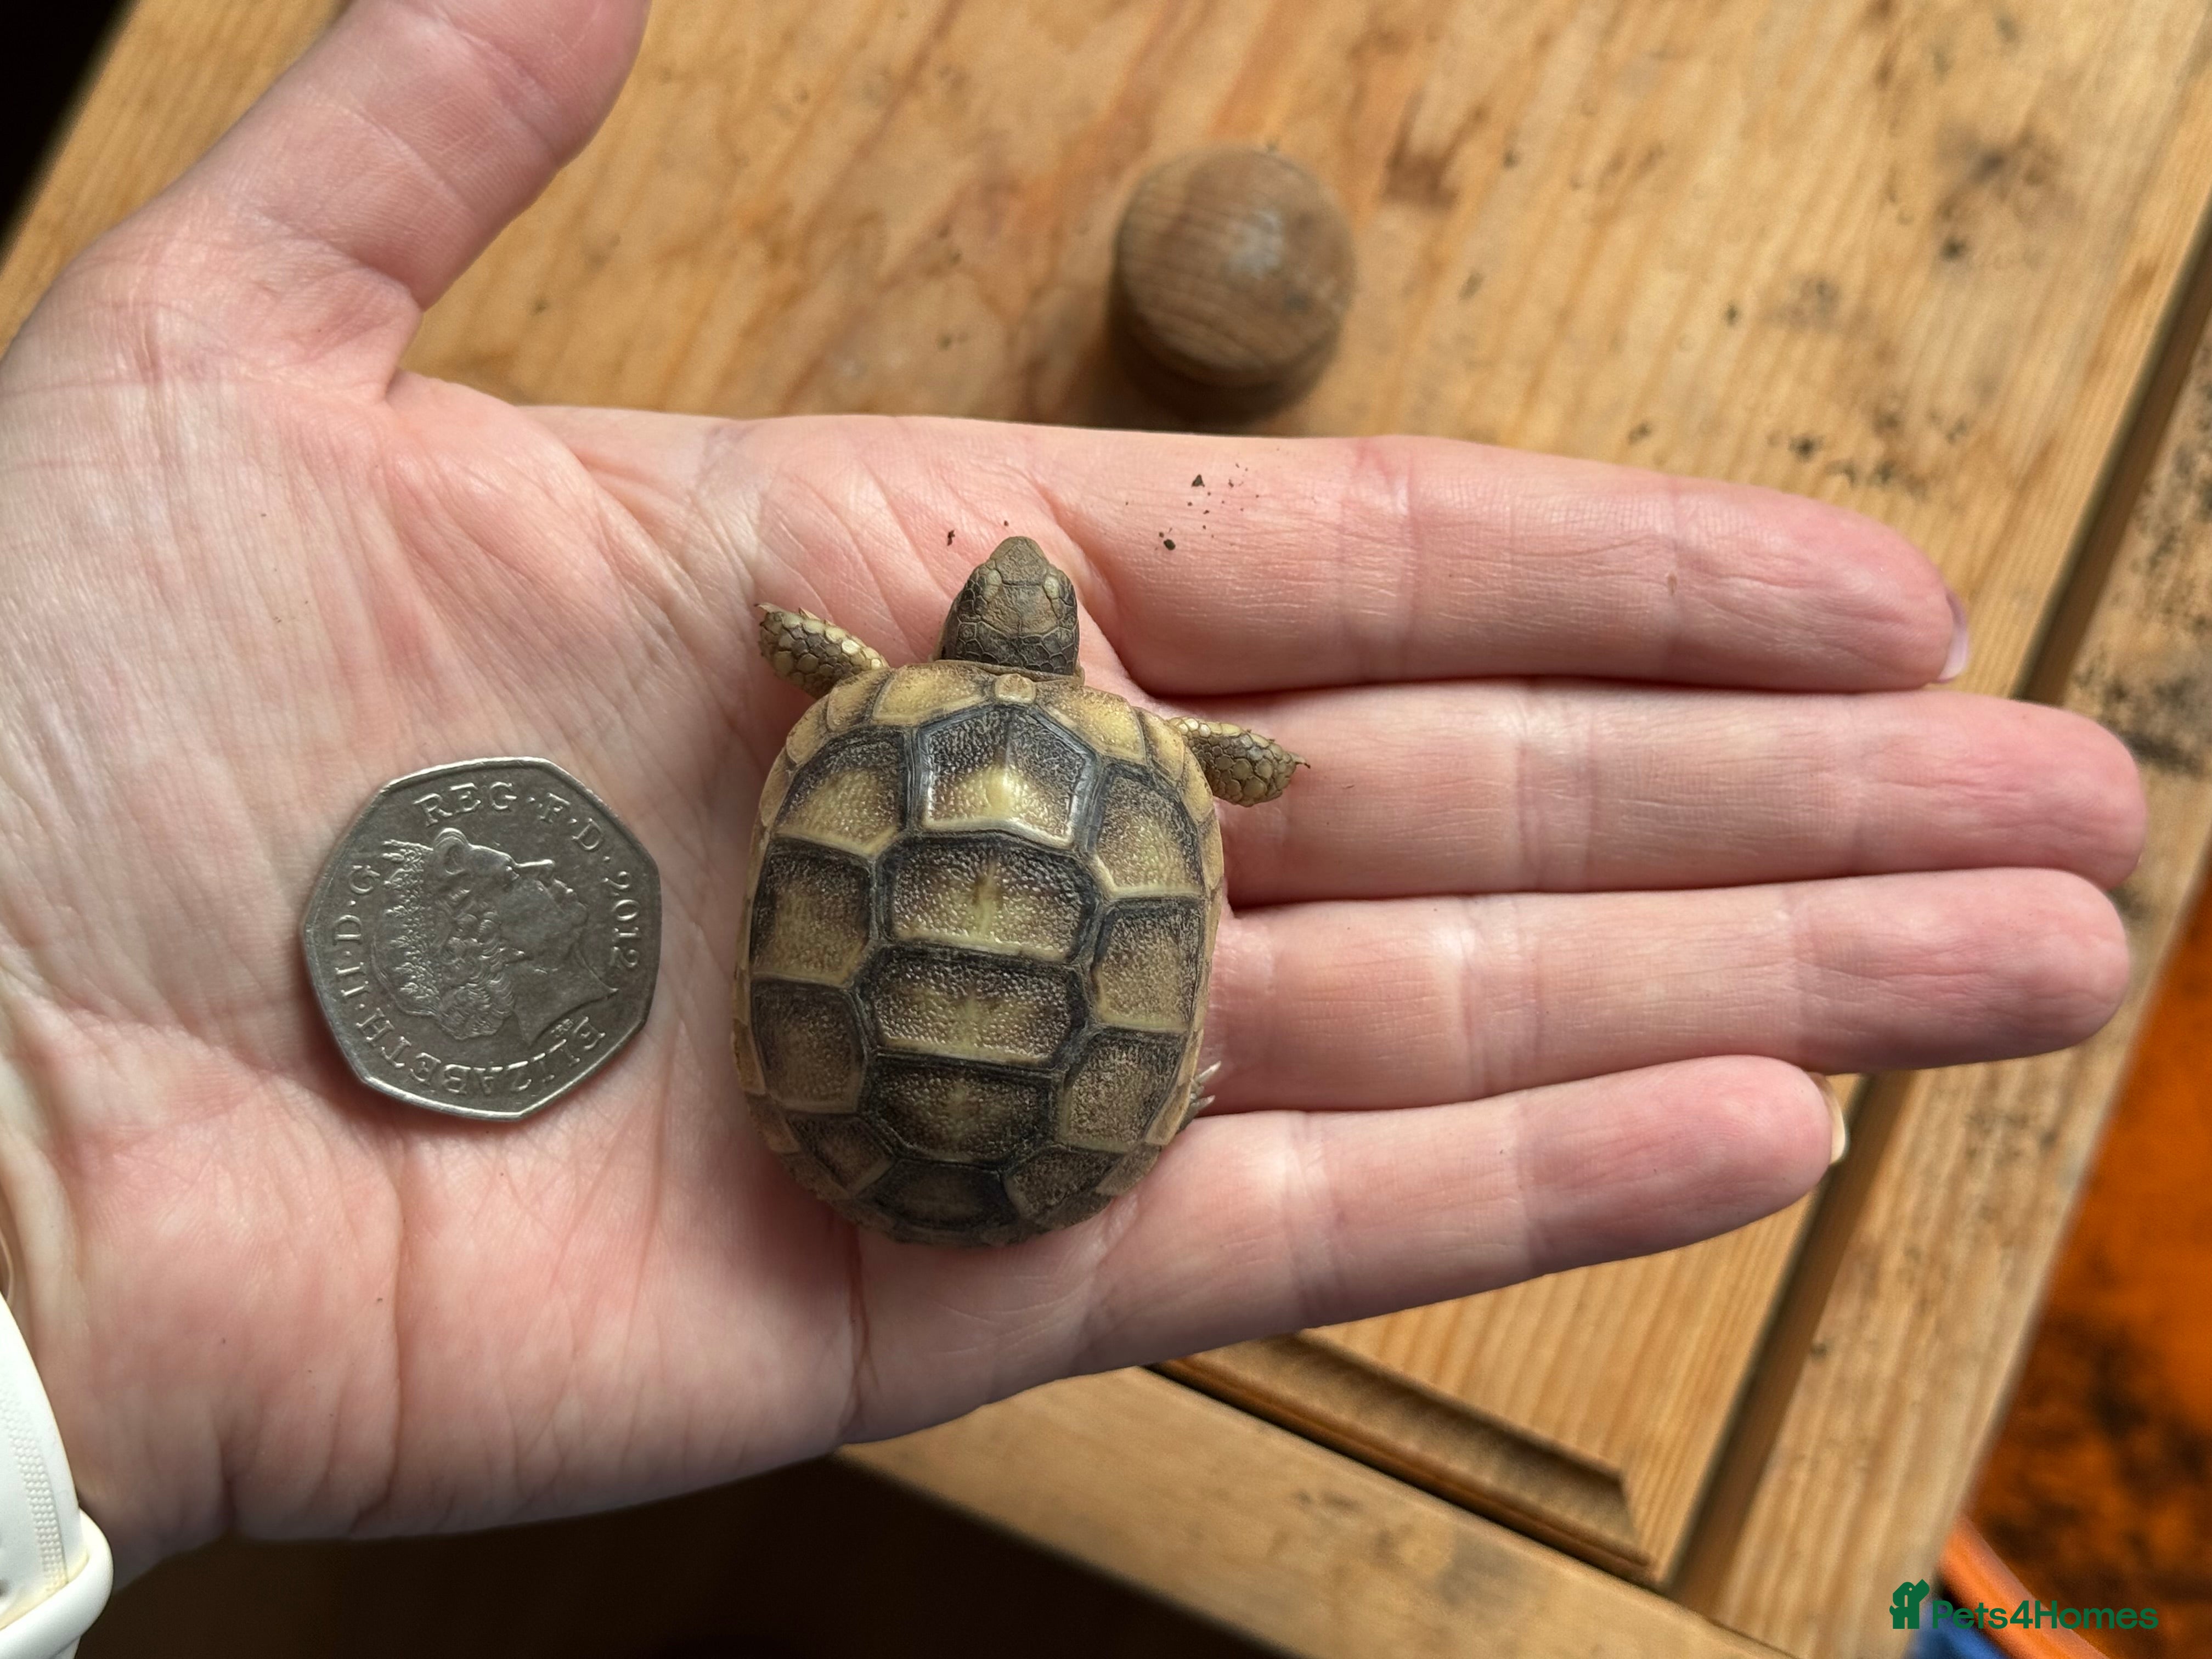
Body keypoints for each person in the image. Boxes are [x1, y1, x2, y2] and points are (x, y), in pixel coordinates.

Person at [0, 0, 2142, 1588]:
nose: (1013, 586)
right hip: (997, 1104)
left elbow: (865, 697)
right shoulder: (1124, 755)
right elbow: (1229, 779)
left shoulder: (852, 707)